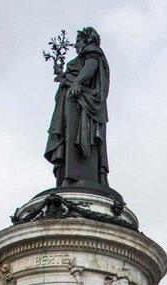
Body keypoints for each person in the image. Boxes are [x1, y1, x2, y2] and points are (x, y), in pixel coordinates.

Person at [45, 26, 110, 188]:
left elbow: (90, 68)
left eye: (78, 42)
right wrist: (63, 75)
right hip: (72, 101)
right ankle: (67, 177)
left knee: (77, 138)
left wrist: (76, 83)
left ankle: (74, 176)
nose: (75, 46)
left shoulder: (91, 51)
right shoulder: (82, 57)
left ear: (87, 40)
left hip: (81, 104)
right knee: (69, 138)